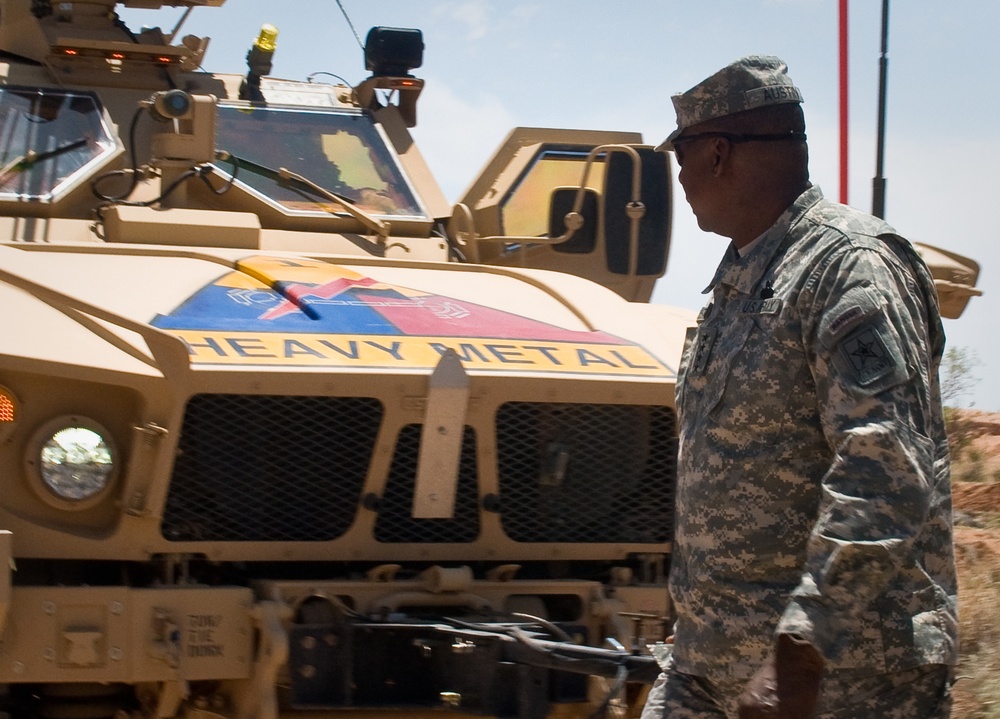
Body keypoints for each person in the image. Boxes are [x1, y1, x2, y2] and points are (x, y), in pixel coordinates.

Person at [641, 56, 958, 719]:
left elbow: (886, 471)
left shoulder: (848, 270)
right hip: (712, 668)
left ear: (720, 153)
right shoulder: (741, 280)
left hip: (838, 683)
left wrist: (803, 645)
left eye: (685, 153)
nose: (680, 174)